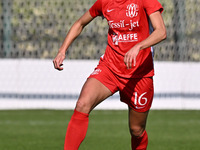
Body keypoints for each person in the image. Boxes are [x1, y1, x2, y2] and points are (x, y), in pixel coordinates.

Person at [53, 0, 166, 149]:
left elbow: (161, 32)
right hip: (110, 68)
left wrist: (138, 46)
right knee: (82, 104)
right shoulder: (104, 2)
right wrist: (62, 50)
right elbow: (80, 23)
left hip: (139, 74)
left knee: (136, 130)